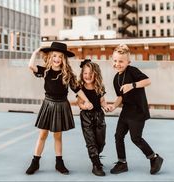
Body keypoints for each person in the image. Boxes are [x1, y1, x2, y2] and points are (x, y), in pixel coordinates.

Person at [25, 41, 93, 175]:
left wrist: (87, 100)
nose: (57, 59)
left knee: (57, 136)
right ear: (50, 56)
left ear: (64, 59)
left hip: (61, 105)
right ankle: (35, 162)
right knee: (43, 134)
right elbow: (30, 66)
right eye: (54, 56)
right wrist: (35, 53)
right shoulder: (45, 71)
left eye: (60, 57)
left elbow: (77, 90)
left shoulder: (67, 74)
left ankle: (59, 163)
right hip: (48, 104)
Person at [108, 44, 163, 175]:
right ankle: (122, 163)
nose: (118, 64)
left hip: (138, 111)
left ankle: (154, 158)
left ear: (128, 62)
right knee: (118, 136)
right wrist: (113, 106)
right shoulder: (116, 79)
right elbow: (120, 97)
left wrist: (132, 85)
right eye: (115, 61)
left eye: (121, 61)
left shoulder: (132, 71)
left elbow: (147, 81)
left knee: (135, 138)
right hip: (126, 110)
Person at [77, 59, 110, 176]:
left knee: (101, 142)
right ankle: (96, 164)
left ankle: (96, 155)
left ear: (96, 74)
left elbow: (102, 101)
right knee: (91, 141)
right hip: (86, 116)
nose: (88, 76)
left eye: (90, 73)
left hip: (99, 116)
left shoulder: (99, 87)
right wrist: (84, 106)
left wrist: (106, 106)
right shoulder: (81, 88)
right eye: (85, 73)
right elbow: (79, 103)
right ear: (82, 74)